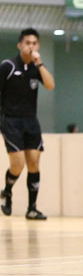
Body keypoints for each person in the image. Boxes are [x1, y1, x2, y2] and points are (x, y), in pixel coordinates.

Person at [0, 28, 55, 220]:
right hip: (11, 121)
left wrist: (39, 64)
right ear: (20, 45)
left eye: (34, 43)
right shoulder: (8, 66)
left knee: (34, 162)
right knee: (18, 164)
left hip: (31, 122)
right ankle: (7, 191)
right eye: (28, 43)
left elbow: (50, 85)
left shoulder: (36, 67)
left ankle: (32, 208)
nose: (31, 46)